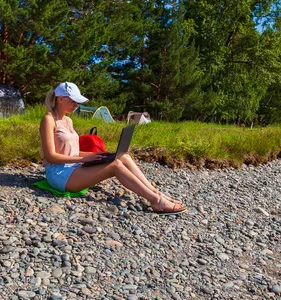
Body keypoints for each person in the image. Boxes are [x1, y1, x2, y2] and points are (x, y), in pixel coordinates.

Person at [40, 82, 187, 215]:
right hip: (59, 173)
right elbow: (50, 156)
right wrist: (83, 159)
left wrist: (96, 154)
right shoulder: (49, 120)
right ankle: (156, 201)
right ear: (60, 99)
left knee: (123, 156)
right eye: (73, 101)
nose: (76, 105)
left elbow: (71, 150)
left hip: (74, 167)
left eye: (77, 102)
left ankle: (157, 192)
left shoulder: (68, 120)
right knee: (115, 166)